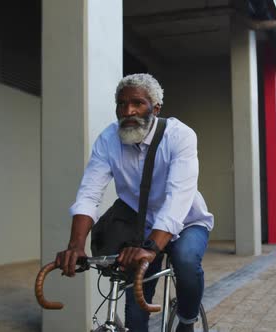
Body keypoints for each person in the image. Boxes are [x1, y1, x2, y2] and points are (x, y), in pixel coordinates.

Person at [55, 73, 214, 332]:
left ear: (156, 107)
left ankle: (187, 319)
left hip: (186, 221)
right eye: (121, 104)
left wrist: (152, 247)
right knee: (135, 309)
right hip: (140, 227)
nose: (128, 111)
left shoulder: (180, 136)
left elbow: (178, 198)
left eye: (137, 103)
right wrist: (75, 245)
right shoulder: (108, 140)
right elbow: (90, 193)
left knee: (185, 261)